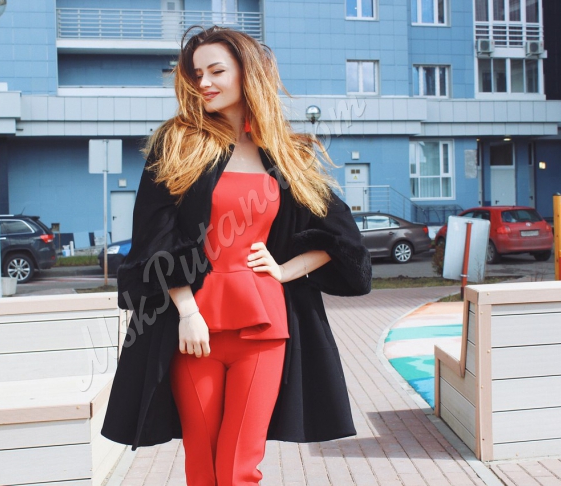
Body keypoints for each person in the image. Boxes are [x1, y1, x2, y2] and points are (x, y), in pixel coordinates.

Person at [101, 26, 372, 486]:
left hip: (264, 325)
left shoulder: (284, 152)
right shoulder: (177, 142)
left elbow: (340, 237)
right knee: (203, 462)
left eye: (216, 71)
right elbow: (154, 237)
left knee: (238, 466)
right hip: (193, 328)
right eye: (196, 74)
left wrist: (284, 270)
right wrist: (187, 311)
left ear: (248, 74)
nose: (203, 82)